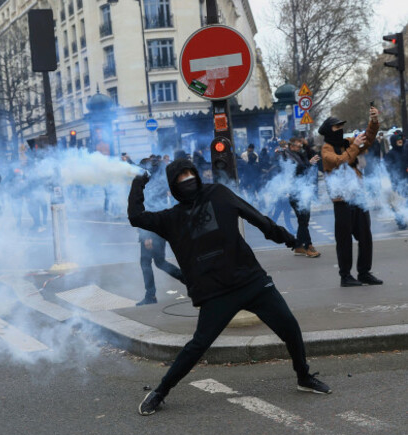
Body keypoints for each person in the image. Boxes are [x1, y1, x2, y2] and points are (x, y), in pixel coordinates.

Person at [128, 158, 331, 416]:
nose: (187, 179)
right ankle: (160, 391)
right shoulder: (172, 218)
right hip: (216, 294)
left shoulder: (219, 194)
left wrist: (289, 239)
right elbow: (136, 217)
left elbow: (255, 217)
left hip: (251, 280)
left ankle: (304, 377)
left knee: (289, 326)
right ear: (173, 187)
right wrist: (138, 181)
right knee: (197, 347)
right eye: (181, 178)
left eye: (190, 173)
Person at [319, 107, 382, 287]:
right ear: (327, 130)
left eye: (341, 126)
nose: (340, 129)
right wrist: (355, 146)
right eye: (336, 127)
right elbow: (340, 161)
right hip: (342, 201)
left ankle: (364, 272)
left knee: (365, 236)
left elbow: (368, 139)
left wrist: (374, 121)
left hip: (358, 197)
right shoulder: (326, 149)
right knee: (344, 239)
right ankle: (345, 276)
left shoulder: (347, 143)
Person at [135, 157, 184, 306]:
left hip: (151, 231)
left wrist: (146, 236)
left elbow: (147, 210)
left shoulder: (150, 186)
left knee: (146, 262)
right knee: (159, 262)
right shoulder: (159, 182)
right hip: (158, 228)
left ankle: (150, 296)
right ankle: (190, 281)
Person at [283, 137, 321, 257]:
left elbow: (313, 157)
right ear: (292, 146)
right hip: (295, 192)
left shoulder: (299, 154)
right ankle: (308, 246)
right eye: (299, 146)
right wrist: (308, 164)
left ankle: (299, 246)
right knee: (303, 219)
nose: (300, 149)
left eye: (301, 146)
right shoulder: (286, 156)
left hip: (304, 190)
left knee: (304, 220)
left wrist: (307, 146)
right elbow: (295, 170)